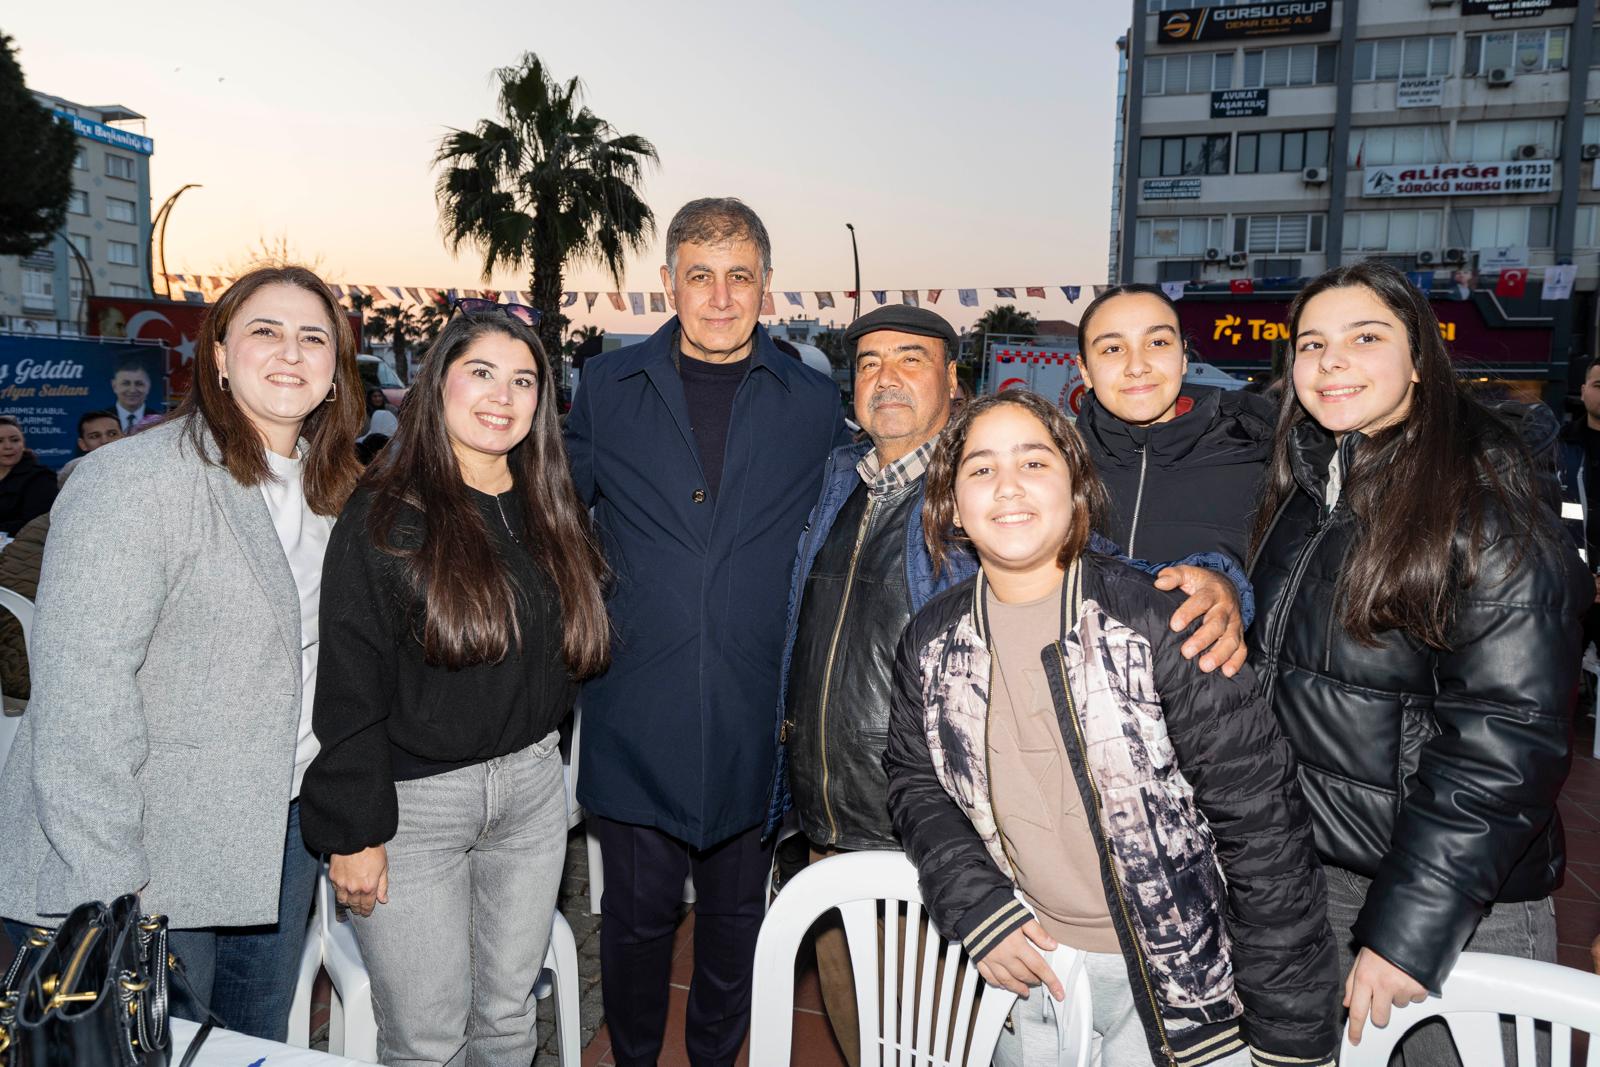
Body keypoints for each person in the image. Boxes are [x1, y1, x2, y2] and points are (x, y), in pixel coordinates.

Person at [778, 304, 1258, 1065]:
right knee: (867, 1039)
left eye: (910, 359)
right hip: (828, 827)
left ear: (953, 378)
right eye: (869, 363)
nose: (886, 378)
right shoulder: (843, 479)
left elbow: (1095, 562)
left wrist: (1217, 582)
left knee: (941, 1043)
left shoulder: (975, 486)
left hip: (934, 845)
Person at [883, 389, 1337, 1067]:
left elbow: (1263, 827)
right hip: (1029, 966)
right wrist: (978, 907)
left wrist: (1291, 1035)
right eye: (980, 469)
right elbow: (916, 782)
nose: (1008, 486)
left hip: (1187, 983)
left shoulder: (1162, 624)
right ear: (949, 505)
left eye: (1033, 462)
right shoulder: (931, 639)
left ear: (1077, 489)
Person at [0, 266, 364, 1038]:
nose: (290, 351)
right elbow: (81, 698)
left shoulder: (340, 494)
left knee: (248, 1044)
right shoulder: (133, 479)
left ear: (336, 372)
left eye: (313, 337)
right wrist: (109, 884)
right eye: (265, 330)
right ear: (219, 355)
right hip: (148, 848)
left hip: (280, 834)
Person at [1248, 261, 1588, 1065]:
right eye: (1312, 343)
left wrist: (1408, 930)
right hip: (1316, 885)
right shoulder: (1312, 484)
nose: (1332, 361)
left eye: (1365, 337)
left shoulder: (1486, 493)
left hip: (1451, 902)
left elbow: (1508, 738)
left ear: (1419, 358)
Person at [564, 196, 848, 1066]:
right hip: (636, 712)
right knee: (635, 926)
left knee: (736, 925)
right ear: (668, 283)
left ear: (767, 284)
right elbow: (550, 513)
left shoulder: (812, 401)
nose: (720, 298)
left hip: (756, 717)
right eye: (700, 276)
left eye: (739, 277)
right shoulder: (607, 389)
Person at [301, 310, 607, 1066]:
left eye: (523, 380)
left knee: (508, 1019)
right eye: (482, 373)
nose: (503, 395)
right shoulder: (385, 512)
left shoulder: (550, 504)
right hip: (415, 810)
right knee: (428, 1040)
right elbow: (348, 687)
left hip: (532, 793)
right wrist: (355, 832)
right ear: (439, 384)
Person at [1075, 284, 1276, 574]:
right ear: (1085, 370)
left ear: (1183, 357)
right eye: (1113, 349)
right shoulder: (1057, 468)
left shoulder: (1257, 456)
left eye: (1157, 343)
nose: (1137, 366)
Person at [0, 417, 57, 537]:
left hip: (23, 546)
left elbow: (35, 524)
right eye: (0, 441)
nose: (8, 446)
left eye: (15, 440)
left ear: (23, 444)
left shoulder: (41, 477)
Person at [56, 409, 123, 488]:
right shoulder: (72, 470)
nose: (105, 441)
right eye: (95, 436)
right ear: (83, 444)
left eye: (112, 434)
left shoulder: (136, 465)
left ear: (124, 438)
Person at [110, 359, 161, 434]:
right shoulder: (100, 419)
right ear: (114, 386)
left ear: (149, 386)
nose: (132, 390)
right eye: (126, 383)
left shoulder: (160, 421)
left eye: (139, 384)